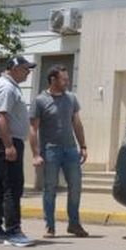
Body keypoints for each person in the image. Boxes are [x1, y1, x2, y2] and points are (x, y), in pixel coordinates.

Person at [29, 64, 88, 238]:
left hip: (70, 150)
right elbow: (33, 129)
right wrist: (36, 154)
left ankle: (74, 224)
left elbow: (76, 123)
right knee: (50, 189)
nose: (67, 82)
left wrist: (83, 146)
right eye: (64, 79)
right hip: (51, 151)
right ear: (53, 80)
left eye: (67, 79)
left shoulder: (71, 98)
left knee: (76, 186)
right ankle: (50, 226)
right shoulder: (40, 100)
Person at [0, 55, 36, 247]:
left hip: (0, 141)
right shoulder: (6, 88)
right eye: (25, 68)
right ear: (14, 68)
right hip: (5, 141)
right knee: (12, 187)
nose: (28, 72)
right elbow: (1, 117)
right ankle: (13, 231)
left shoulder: (6, 85)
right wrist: (8, 146)